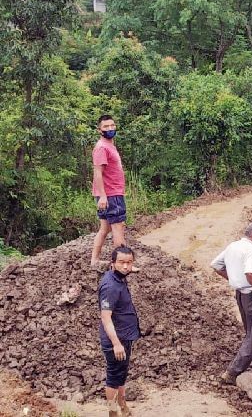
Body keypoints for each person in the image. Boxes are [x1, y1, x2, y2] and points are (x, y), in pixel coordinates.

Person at [210, 222, 252, 384]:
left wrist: (232, 279)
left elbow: (216, 265)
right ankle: (233, 371)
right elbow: (250, 273)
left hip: (240, 294)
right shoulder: (251, 250)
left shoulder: (233, 246)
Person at [98, 246, 140, 417]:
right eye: (121, 262)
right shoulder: (110, 287)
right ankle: (113, 413)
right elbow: (105, 318)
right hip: (116, 339)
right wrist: (116, 344)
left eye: (129, 263)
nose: (126, 266)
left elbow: (126, 268)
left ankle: (123, 407)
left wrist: (130, 268)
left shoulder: (119, 276)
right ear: (112, 263)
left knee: (121, 374)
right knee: (114, 377)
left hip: (125, 336)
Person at [90, 115, 131, 269]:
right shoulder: (102, 147)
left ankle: (94, 260)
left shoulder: (109, 145)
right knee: (118, 228)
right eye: (106, 127)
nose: (110, 129)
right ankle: (123, 265)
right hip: (110, 195)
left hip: (111, 193)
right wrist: (102, 196)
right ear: (99, 130)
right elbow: (97, 173)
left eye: (112, 125)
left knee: (105, 228)